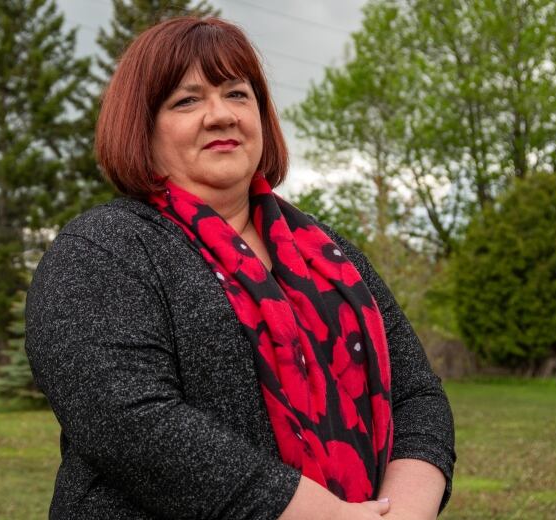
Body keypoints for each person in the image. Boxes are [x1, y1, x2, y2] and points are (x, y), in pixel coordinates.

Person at [25, 16, 455, 520]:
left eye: (237, 94)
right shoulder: (103, 250)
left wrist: (402, 512)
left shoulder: (330, 252)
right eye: (186, 100)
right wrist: (324, 515)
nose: (221, 115)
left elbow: (417, 394)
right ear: (139, 126)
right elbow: (127, 421)